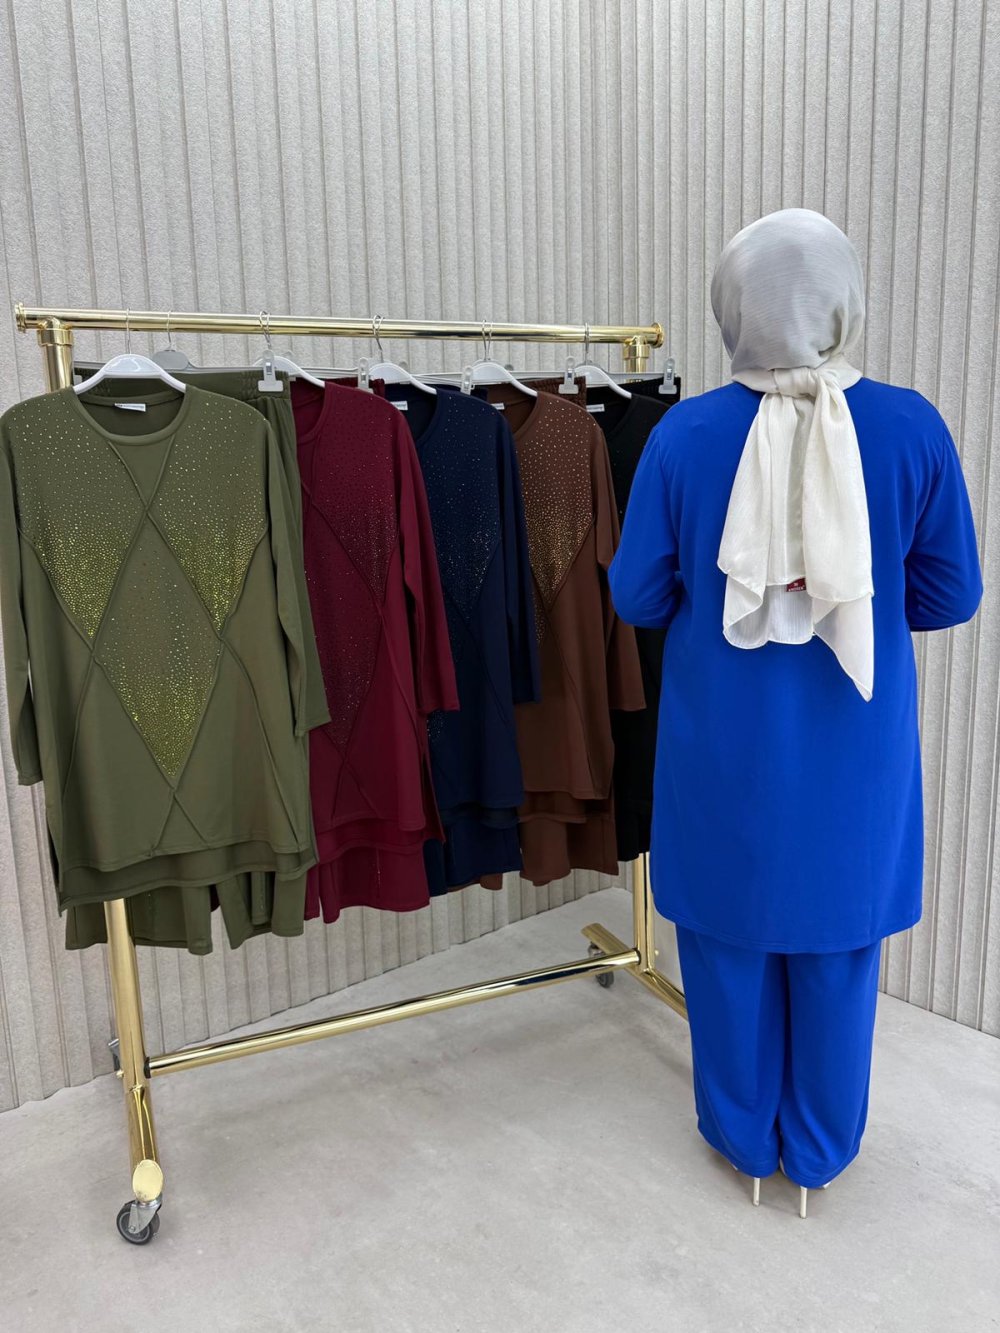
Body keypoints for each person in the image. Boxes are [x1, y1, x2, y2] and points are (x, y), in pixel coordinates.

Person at [609, 208, 982, 1216]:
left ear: (732, 308)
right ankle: (817, 1152)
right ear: (843, 300)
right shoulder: (911, 426)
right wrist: (854, 593)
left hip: (720, 748)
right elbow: (951, 594)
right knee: (836, 951)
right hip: (852, 749)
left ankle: (743, 1142)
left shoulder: (684, 435)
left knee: (725, 946)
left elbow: (636, 595)